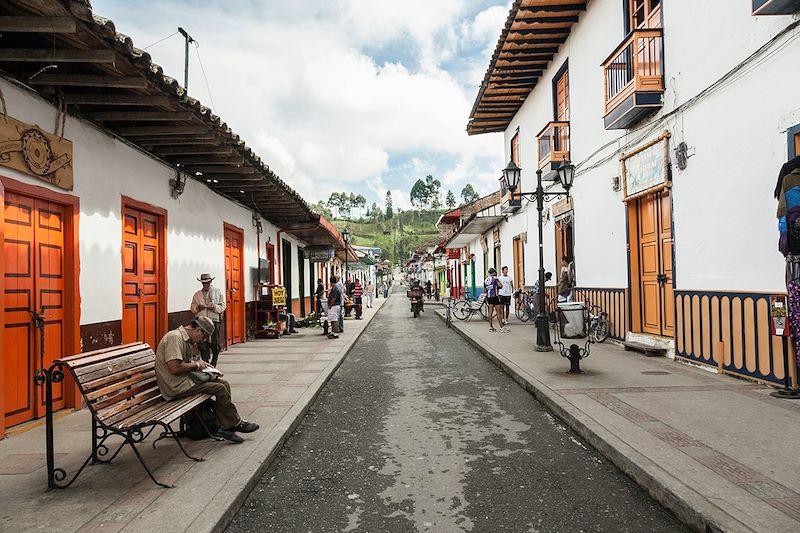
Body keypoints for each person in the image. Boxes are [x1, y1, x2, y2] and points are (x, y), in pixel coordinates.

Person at [154, 317, 259, 443]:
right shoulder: (175, 338)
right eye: (204, 337)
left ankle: (230, 426)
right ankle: (233, 425)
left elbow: (183, 364)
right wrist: (197, 365)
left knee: (223, 383)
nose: (203, 341)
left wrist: (206, 370)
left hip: (184, 382)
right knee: (219, 388)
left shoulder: (184, 339)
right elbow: (174, 368)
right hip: (175, 387)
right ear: (198, 330)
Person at [190, 273, 226, 367]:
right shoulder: (197, 295)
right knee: (202, 344)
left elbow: (222, 306)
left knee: (215, 344)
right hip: (201, 322)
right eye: (204, 283)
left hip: (214, 320)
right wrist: (198, 308)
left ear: (210, 282)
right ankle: (206, 363)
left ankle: (214, 362)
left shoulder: (217, 292)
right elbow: (192, 308)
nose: (206, 285)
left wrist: (213, 307)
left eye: (207, 282)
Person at [484, 268, 505, 332]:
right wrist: (498, 286)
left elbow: (485, 290)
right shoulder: (495, 278)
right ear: (494, 272)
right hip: (495, 296)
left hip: (489, 297)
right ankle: (501, 328)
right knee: (498, 312)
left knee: (490, 312)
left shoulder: (486, 279)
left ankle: (491, 327)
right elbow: (500, 286)